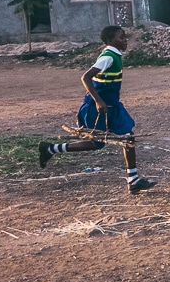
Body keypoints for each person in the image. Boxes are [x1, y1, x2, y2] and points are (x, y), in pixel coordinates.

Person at [38, 26, 155, 195]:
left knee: (128, 136)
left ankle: (133, 180)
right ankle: (51, 149)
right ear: (110, 40)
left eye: (125, 37)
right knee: (96, 143)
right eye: (121, 37)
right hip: (98, 108)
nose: (125, 40)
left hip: (112, 106)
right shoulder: (108, 57)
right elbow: (85, 77)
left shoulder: (114, 55)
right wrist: (99, 101)